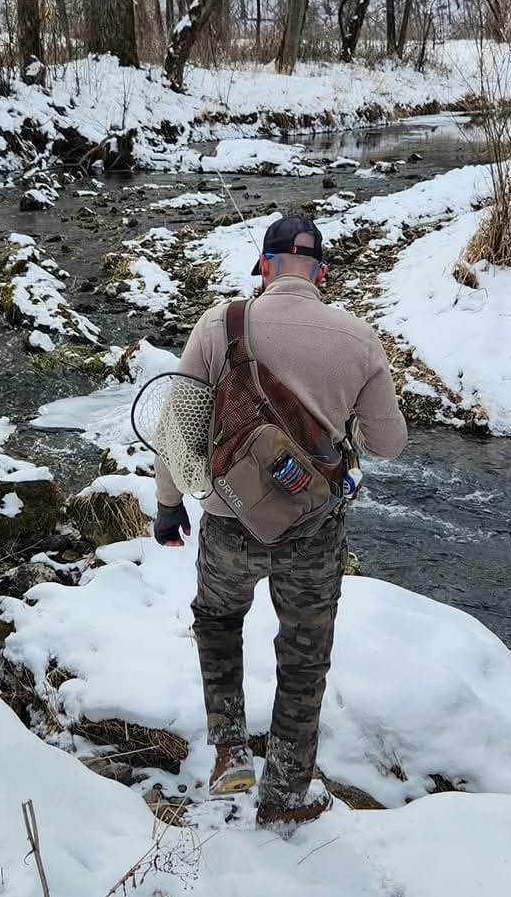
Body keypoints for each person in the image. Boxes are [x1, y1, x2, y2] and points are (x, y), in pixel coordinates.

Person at [153, 212, 408, 829]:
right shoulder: (359, 337)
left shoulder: (222, 324)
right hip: (313, 531)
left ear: (264, 266)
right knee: (303, 653)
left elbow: (178, 424)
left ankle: (231, 750)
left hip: (228, 519)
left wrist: (168, 505)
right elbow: (390, 442)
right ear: (320, 272)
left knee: (217, 619)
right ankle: (286, 793)